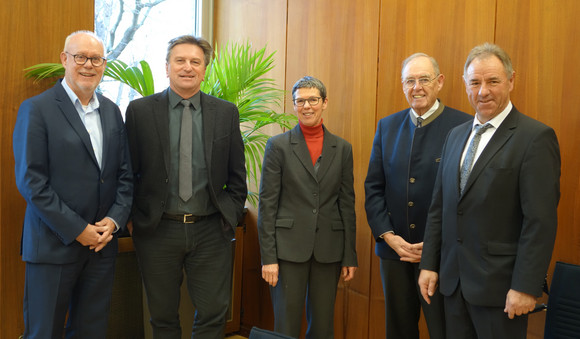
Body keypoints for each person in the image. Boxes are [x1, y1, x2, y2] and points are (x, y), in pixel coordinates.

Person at [418, 43, 561, 339]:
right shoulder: (455, 135)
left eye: (493, 81)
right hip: (452, 284)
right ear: (465, 85)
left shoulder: (535, 138)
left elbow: (539, 222)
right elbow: (439, 207)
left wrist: (525, 286)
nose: (483, 91)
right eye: (475, 82)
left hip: (501, 291)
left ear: (511, 80)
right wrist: (430, 264)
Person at [13, 30, 133, 338]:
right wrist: (78, 230)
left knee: (90, 332)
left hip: (101, 248)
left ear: (104, 65)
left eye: (96, 59)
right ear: (65, 60)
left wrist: (115, 220)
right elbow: (31, 182)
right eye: (81, 57)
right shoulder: (37, 109)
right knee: (44, 332)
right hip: (53, 246)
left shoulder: (111, 110)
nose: (88, 65)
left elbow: (123, 175)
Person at [125, 35, 247, 339]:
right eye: (180, 60)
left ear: (205, 69)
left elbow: (237, 176)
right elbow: (128, 171)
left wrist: (228, 216)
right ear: (167, 67)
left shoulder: (225, 112)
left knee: (213, 314)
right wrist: (131, 217)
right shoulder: (140, 111)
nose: (187, 67)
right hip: (157, 230)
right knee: (162, 316)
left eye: (196, 62)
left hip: (210, 231)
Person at [364, 53, 471, 339]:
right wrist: (388, 236)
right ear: (402, 86)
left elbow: (468, 197)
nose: (417, 87)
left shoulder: (463, 126)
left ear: (440, 82)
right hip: (393, 253)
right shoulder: (387, 126)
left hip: (441, 256)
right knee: (398, 331)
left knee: (444, 330)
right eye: (410, 81)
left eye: (424, 79)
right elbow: (373, 188)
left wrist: (437, 243)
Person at [258, 76, 357, 339]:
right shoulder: (277, 146)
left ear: (325, 103)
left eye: (313, 100)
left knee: (323, 326)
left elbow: (347, 204)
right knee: (286, 325)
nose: (307, 106)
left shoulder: (343, 148)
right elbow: (267, 205)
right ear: (294, 105)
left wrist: (349, 255)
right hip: (287, 252)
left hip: (329, 250)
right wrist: (268, 258)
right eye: (300, 101)